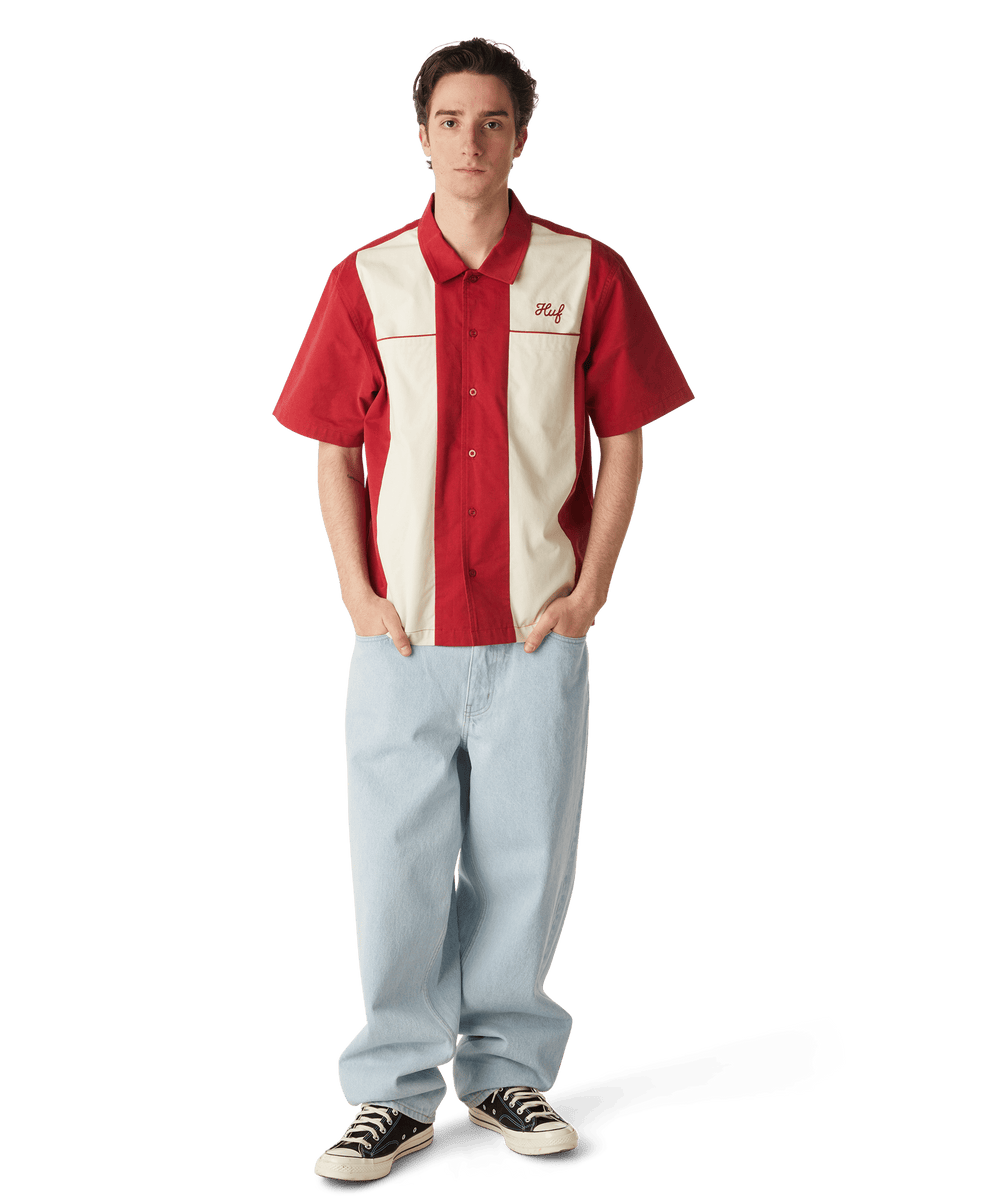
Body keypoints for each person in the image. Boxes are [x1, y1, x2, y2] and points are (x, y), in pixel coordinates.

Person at [274, 37, 695, 1183]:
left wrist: (592, 589)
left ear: (521, 136)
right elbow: (331, 454)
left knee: (525, 861)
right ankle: (396, 1095)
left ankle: (508, 1073)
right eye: (451, 121)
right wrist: (357, 594)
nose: (471, 141)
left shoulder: (584, 272)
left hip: (534, 637)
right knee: (394, 871)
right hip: (401, 641)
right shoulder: (366, 280)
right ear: (422, 135)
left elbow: (624, 441)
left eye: (493, 122)